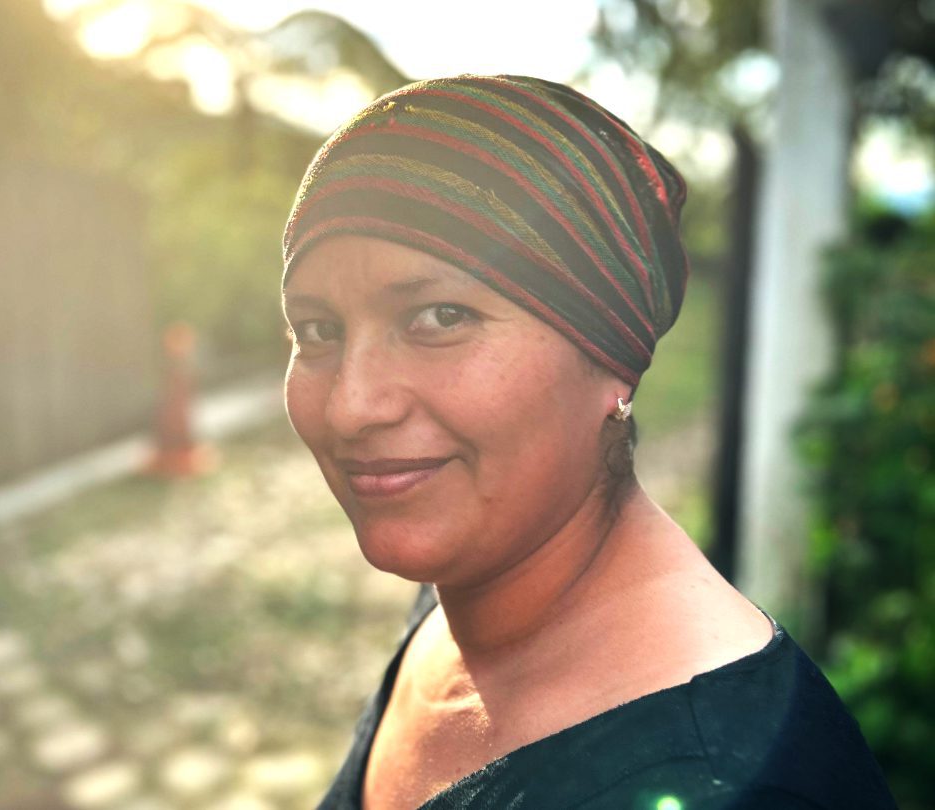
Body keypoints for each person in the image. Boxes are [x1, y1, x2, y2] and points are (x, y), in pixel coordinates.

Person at [280, 75, 896, 810]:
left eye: (439, 317)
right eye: (318, 330)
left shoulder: (736, 781)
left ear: (612, 357)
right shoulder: (467, 587)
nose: (352, 406)